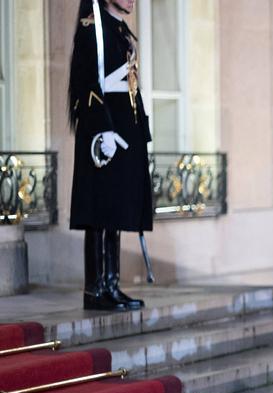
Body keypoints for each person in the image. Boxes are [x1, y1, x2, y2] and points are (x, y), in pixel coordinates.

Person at [68, 0, 152, 311]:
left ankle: (112, 283)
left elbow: (129, 86)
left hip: (125, 133)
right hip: (104, 132)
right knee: (100, 212)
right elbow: (85, 82)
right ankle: (96, 288)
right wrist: (102, 128)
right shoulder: (94, 26)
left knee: (115, 212)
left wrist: (139, 129)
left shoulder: (119, 30)